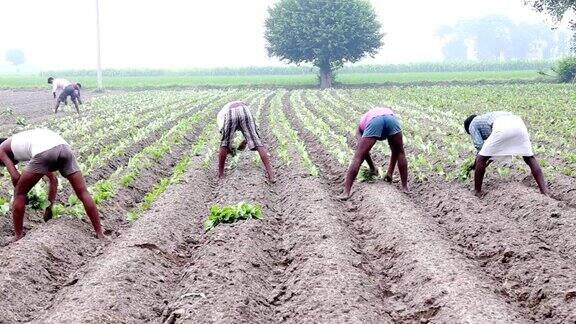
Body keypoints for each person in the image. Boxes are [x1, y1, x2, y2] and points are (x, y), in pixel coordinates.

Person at [0, 129, 107, 242]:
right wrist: (49, 208)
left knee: (19, 194)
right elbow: (53, 180)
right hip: (64, 148)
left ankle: (17, 235)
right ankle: (100, 233)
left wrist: (23, 194)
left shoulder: (1, 149)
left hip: (45, 151)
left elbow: (16, 177)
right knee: (83, 192)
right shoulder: (25, 145)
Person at [464, 111, 548, 196]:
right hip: (519, 123)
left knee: (481, 158)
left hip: (502, 126)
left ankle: (477, 191)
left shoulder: (472, 124)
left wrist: (476, 165)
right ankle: (544, 191)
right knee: (529, 158)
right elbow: (491, 150)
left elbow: (479, 146)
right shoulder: (485, 119)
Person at [338, 107, 409, 200]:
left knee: (358, 157)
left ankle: (346, 192)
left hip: (375, 121)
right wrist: (386, 172)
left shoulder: (360, 128)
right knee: (400, 152)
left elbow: (363, 152)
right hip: (391, 119)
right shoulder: (370, 118)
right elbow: (395, 151)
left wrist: (372, 167)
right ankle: (405, 188)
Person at [217, 101, 275, 182]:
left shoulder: (220, 116)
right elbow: (252, 132)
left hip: (231, 112)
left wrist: (229, 148)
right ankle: (271, 175)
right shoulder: (243, 108)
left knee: (224, 143)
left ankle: (221, 175)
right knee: (258, 143)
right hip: (245, 111)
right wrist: (245, 141)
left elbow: (224, 136)